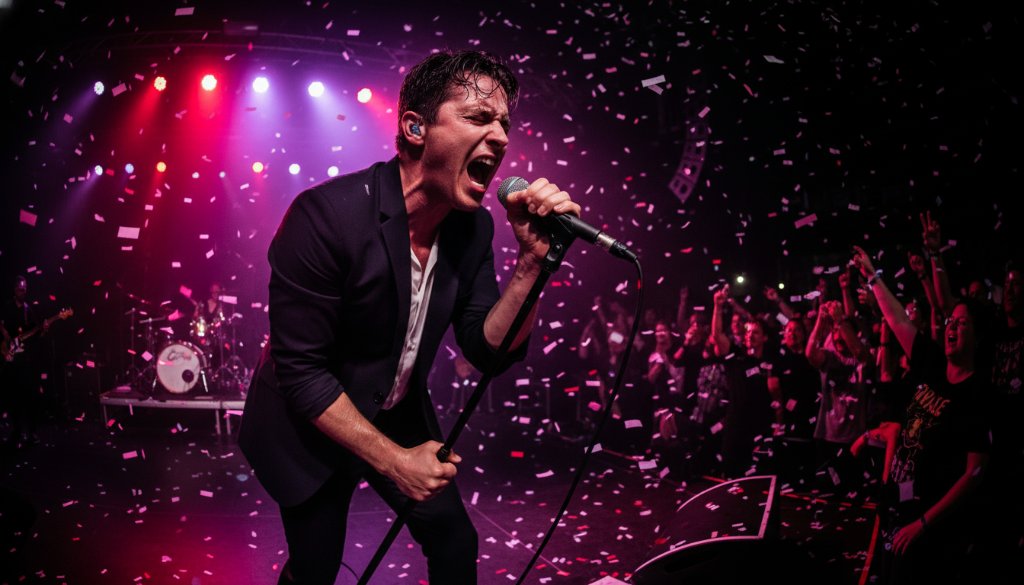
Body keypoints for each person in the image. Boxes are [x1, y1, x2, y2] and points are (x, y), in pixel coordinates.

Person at [238, 50, 580, 585]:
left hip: (394, 410)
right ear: (416, 127)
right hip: (310, 420)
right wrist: (395, 461)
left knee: (454, 540)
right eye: (477, 117)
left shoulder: (473, 231)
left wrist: (534, 265)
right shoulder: (326, 217)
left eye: (504, 124)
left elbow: (486, 349)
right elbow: (301, 373)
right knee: (316, 566)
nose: (500, 136)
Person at [852, 245, 990, 584]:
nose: (951, 327)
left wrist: (924, 523)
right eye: (949, 321)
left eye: (961, 323)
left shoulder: (977, 395)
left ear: (978, 335)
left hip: (928, 526)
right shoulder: (932, 362)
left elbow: (975, 472)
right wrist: (873, 278)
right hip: (897, 509)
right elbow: (897, 318)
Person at [1, 276, 46, 448]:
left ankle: (32, 432)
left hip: (26, 360)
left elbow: (36, 333)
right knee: (13, 398)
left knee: (32, 396)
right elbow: (1, 326)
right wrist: (7, 343)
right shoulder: (7, 307)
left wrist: (43, 330)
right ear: (15, 290)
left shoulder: (28, 309)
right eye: (20, 289)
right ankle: (17, 431)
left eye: (25, 289)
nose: (23, 292)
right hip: (12, 360)